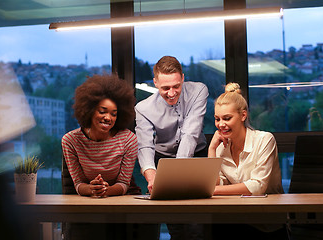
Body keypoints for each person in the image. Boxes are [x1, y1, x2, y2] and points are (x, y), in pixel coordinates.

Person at [61, 74, 158, 240]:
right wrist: (92, 190)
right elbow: (77, 183)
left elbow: (123, 183)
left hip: (123, 198)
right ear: (89, 110)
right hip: (88, 199)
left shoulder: (128, 139)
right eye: (102, 111)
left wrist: (106, 191)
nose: (108, 118)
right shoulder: (70, 141)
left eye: (114, 114)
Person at [135, 56, 209, 239]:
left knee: (198, 221)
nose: (171, 93)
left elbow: (190, 134)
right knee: (175, 222)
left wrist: (177, 174)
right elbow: (144, 146)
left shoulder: (199, 91)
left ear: (183, 78)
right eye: (165, 88)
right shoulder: (143, 108)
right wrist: (151, 177)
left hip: (197, 156)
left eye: (176, 86)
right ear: (155, 82)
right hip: (163, 160)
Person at [208, 82, 287, 240]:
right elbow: (215, 183)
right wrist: (211, 149)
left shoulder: (264, 140)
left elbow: (257, 186)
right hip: (233, 220)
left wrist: (212, 191)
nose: (221, 124)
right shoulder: (220, 147)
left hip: (265, 223)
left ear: (243, 115)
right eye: (217, 119)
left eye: (227, 118)